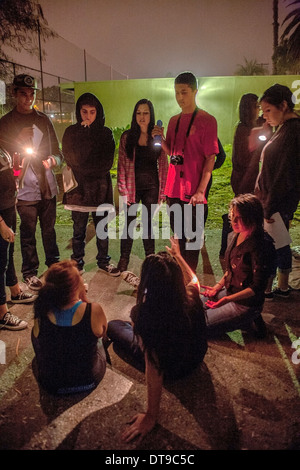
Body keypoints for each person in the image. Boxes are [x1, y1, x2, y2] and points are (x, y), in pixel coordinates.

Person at [107, 237, 207, 442]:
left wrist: (151, 415)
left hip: (173, 369)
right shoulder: (191, 295)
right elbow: (194, 280)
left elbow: (153, 367)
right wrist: (178, 257)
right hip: (195, 358)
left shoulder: (145, 316)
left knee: (114, 326)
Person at [0, 74, 62, 291]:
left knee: (49, 230)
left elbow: (58, 152)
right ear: (15, 94)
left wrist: (54, 160)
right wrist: (18, 139)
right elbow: (4, 155)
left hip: (46, 186)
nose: (28, 99)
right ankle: (30, 272)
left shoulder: (44, 119)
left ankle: (55, 267)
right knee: (27, 232)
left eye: (32, 94)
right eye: (23, 94)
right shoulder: (6, 123)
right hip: (21, 188)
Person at [153, 71, 219, 272]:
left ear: (195, 91)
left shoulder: (207, 120)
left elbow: (210, 158)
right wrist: (160, 139)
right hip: (173, 190)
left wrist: (201, 191)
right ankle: (180, 278)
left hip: (193, 194)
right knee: (178, 237)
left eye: (184, 92)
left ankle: (190, 284)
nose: (180, 97)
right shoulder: (174, 121)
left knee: (193, 241)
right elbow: (171, 152)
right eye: (177, 93)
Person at [201, 193, 275, 337]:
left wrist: (227, 300)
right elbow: (230, 270)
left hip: (245, 304)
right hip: (230, 292)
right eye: (231, 216)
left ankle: (248, 319)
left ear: (251, 218)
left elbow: (257, 287)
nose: (233, 221)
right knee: (193, 306)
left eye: (238, 217)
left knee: (199, 324)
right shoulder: (236, 235)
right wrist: (217, 288)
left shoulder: (262, 246)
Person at [62, 92, 120, 276]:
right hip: (78, 191)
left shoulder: (105, 133)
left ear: (98, 112)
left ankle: (104, 261)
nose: (88, 116)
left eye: (92, 112)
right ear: (79, 112)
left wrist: (83, 168)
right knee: (78, 230)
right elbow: (73, 158)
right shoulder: (72, 132)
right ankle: (77, 262)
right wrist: (83, 135)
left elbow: (106, 163)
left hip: (100, 188)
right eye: (84, 111)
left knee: (102, 228)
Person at [31, 260, 107, 395]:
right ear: (75, 287)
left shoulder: (42, 311)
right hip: (88, 381)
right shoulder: (93, 309)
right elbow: (103, 333)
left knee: (35, 333)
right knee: (98, 338)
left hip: (51, 385)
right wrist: (84, 299)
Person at [255, 83, 300, 299]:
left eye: (268, 111)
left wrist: (269, 206)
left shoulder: (293, 131)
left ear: (283, 105)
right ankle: (274, 287)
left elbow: (285, 175)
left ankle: (279, 288)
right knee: (275, 245)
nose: (265, 117)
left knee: (277, 246)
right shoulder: (284, 129)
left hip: (276, 203)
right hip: (271, 201)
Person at [117, 99, 168, 272]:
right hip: (132, 186)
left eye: (146, 113)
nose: (142, 116)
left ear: (151, 114)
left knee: (148, 224)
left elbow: (163, 164)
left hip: (152, 186)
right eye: (139, 113)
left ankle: (150, 260)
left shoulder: (157, 136)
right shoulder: (127, 137)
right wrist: (123, 190)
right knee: (129, 223)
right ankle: (124, 259)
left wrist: (163, 193)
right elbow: (122, 165)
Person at [0, 146, 36, 331]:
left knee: (8, 253)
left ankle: (15, 291)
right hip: (0, 214)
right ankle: (1, 314)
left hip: (7, 204)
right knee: (0, 260)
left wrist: (16, 173)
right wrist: (1, 223)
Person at [231, 93, 271, 197]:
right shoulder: (243, 129)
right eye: (257, 107)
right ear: (249, 109)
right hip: (244, 178)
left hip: (252, 175)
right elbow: (243, 157)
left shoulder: (255, 124)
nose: (259, 110)